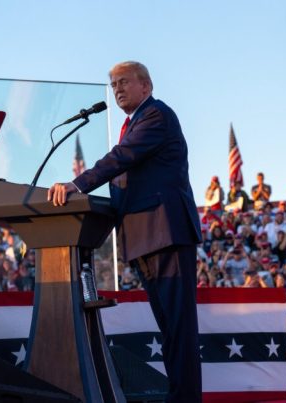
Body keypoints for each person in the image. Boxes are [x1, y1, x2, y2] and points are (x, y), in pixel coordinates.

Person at [47, 61, 202, 402]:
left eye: (124, 82)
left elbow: (122, 157)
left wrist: (77, 185)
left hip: (166, 233)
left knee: (179, 329)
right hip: (145, 237)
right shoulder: (133, 123)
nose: (117, 88)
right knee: (170, 329)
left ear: (146, 86)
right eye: (113, 83)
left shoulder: (156, 115)